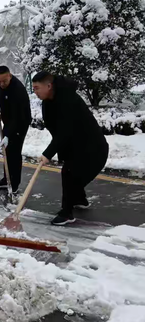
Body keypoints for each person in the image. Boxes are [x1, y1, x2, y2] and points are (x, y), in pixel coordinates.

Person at [32, 71, 109, 226]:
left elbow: (64, 131)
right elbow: (56, 130)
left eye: (37, 88)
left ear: (49, 85)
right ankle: (80, 199)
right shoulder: (47, 102)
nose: (35, 92)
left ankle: (66, 213)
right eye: (33, 88)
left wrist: (48, 153)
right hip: (74, 145)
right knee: (71, 174)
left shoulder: (68, 100)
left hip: (94, 148)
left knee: (69, 174)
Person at [0, 66, 32, 193]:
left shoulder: (17, 90)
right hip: (8, 120)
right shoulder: (0, 83)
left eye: (4, 81)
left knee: (14, 151)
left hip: (20, 121)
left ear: (10, 76)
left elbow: (17, 117)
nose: (1, 84)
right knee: (7, 150)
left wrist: (8, 135)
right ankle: (6, 178)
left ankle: (14, 183)